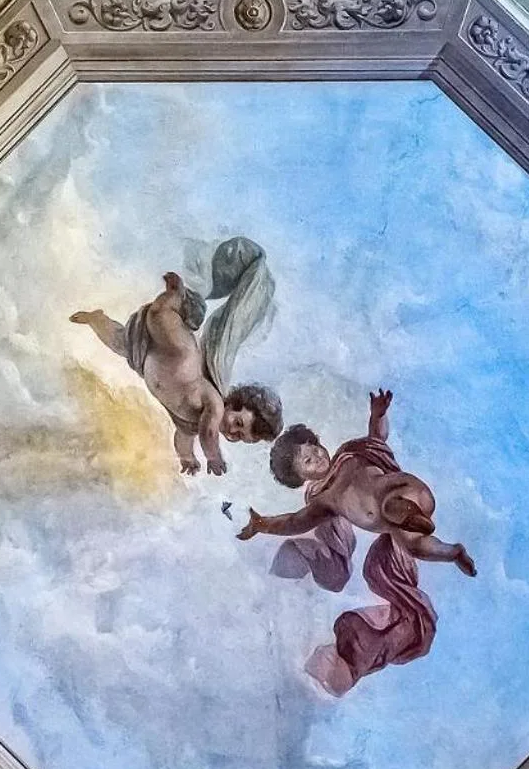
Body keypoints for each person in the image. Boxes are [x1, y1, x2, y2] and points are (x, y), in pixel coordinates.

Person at [238, 389, 473, 695]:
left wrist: (377, 414)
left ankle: (407, 514)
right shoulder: (323, 501)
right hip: (401, 528)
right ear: (302, 478)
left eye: (316, 448)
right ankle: (452, 552)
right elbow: (295, 522)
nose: (319, 456)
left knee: (388, 508)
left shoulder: (351, 455)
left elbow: (377, 439)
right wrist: (263, 524)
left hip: (404, 493)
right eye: (309, 461)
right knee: (407, 550)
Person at [70, 236, 283, 475]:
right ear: (234, 403)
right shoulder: (214, 405)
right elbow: (209, 434)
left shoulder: (190, 423)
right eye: (239, 423)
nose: (232, 432)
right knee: (158, 314)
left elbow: (182, 439)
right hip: (178, 350)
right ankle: (178, 295)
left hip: (149, 361)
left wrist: (188, 458)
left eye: (239, 436)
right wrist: (213, 458)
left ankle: (97, 319)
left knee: (120, 343)